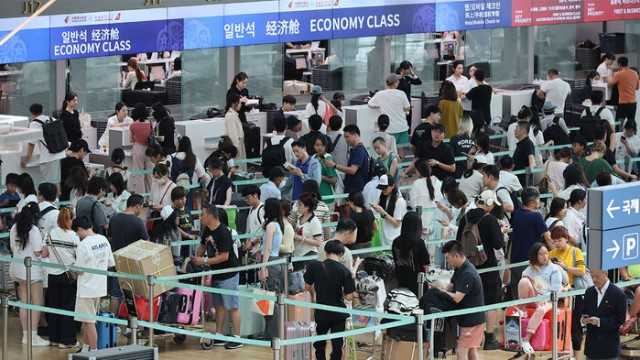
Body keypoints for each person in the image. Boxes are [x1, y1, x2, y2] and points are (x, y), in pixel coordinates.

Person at [455, 190, 505, 350]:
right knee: (491, 301)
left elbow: (458, 242)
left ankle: (468, 339)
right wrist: (501, 232)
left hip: (468, 267)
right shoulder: (490, 220)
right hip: (488, 266)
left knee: (470, 300)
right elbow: (498, 244)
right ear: (489, 203)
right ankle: (489, 338)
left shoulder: (465, 218)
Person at [193, 206, 242, 349]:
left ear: (210, 216)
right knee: (219, 305)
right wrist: (197, 257)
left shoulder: (223, 232)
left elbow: (224, 256)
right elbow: (203, 246)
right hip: (216, 273)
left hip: (229, 274)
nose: (200, 217)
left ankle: (237, 337)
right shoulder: (207, 230)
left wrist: (205, 261)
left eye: (202, 215)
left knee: (232, 305)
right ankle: (219, 334)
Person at [304, 240, 356, 360]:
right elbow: (349, 297)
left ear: (326, 252)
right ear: (342, 253)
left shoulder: (314, 266)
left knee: (320, 343)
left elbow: (307, 287)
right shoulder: (344, 271)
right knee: (337, 344)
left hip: (321, 311)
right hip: (338, 313)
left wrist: (315, 294)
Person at [73, 216, 115, 352]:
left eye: (77, 232)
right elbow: (110, 263)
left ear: (80, 229)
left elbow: (78, 270)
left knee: (89, 322)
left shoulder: (83, 245)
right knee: (87, 321)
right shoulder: (103, 240)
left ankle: (94, 350)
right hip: (100, 287)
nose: (77, 235)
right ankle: (86, 348)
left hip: (86, 289)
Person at [437, 240, 485, 360]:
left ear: (456, 256)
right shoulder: (459, 269)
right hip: (468, 318)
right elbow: (451, 286)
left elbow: (457, 298)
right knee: (471, 351)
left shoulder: (468, 273)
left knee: (461, 351)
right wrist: (440, 286)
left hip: (472, 320)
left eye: (448, 258)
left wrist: (442, 292)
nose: (447, 261)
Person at [9, 203, 49, 346]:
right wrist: (47, 248)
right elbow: (39, 252)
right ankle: (34, 336)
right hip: (32, 271)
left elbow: (13, 248)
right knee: (37, 303)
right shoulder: (33, 230)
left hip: (18, 269)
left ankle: (26, 336)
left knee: (24, 303)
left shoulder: (14, 227)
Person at [517, 242, 564, 356]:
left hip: (550, 300)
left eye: (546, 253)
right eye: (541, 254)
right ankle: (521, 310)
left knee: (541, 310)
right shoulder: (529, 269)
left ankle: (526, 339)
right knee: (523, 281)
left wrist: (544, 299)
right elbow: (525, 283)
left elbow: (556, 291)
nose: (545, 256)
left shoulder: (554, 269)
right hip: (533, 298)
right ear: (535, 256)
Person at [548, 226, 586, 359]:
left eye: (559, 240)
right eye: (554, 241)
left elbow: (581, 270)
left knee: (575, 325)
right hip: (558, 293)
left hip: (574, 293)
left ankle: (577, 355)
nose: (557, 243)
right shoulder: (552, 253)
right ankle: (562, 354)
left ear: (566, 239)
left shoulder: (576, 251)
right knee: (560, 324)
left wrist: (565, 267)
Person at [45, 208, 80, 348]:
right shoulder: (73, 236)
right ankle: (66, 340)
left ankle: (53, 338)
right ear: (70, 219)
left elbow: (44, 253)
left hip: (52, 275)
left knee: (54, 307)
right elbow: (79, 256)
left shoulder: (51, 233)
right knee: (67, 308)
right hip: (68, 276)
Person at [509, 188, 551, 295]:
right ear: (533, 202)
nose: (539, 201)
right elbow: (548, 238)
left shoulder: (517, 214)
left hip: (515, 261)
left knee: (518, 294)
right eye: (538, 199)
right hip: (530, 262)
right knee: (533, 294)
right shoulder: (536, 216)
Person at [581, 268, 626, 360]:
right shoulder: (589, 292)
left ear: (605, 274)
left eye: (597, 276)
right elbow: (584, 312)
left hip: (608, 349)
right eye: (592, 276)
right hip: (591, 348)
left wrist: (600, 322)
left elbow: (620, 320)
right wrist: (583, 319)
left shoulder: (618, 294)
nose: (594, 280)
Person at [257, 198, 284, 339]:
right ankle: (270, 332)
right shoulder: (277, 224)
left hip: (269, 262)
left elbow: (267, 248)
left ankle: (273, 333)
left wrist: (263, 267)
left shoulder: (271, 226)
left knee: (269, 299)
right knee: (267, 299)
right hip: (274, 262)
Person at [22, 103, 62, 183]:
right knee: (56, 181)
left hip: (48, 157)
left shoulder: (34, 123)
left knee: (49, 183)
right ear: (42, 110)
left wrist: (27, 160)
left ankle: (52, 195)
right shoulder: (52, 119)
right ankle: (56, 194)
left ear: (32, 113)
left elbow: (31, 143)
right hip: (59, 153)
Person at [368, 74, 411, 145]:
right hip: (402, 127)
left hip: (388, 129)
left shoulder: (380, 94)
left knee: (390, 152)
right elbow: (407, 107)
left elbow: (370, 104)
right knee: (403, 152)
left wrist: (381, 105)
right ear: (396, 83)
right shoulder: (401, 94)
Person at [392, 212, 429, 295]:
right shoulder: (419, 243)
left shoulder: (396, 242)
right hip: (418, 284)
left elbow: (396, 261)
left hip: (401, 281)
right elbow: (426, 263)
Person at [325, 125, 369, 194]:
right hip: (353, 188)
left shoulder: (359, 150)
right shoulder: (356, 149)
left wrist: (334, 165)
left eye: (347, 137)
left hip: (356, 190)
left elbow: (352, 170)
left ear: (355, 135)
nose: (346, 139)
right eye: (345, 137)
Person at [409, 159, 443, 240]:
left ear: (418, 171)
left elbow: (413, 204)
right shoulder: (437, 181)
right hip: (436, 219)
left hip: (422, 220)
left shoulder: (416, 183)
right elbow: (440, 201)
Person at [372, 175, 407, 246]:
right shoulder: (383, 197)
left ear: (393, 186)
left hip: (395, 239)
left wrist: (383, 212)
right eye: (381, 188)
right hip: (384, 237)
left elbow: (397, 224)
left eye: (385, 188)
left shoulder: (399, 201)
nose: (383, 190)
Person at [129, 103, 153, 194]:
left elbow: (131, 139)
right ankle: (151, 195)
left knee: (139, 174)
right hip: (149, 150)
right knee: (149, 174)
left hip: (138, 148)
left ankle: (141, 196)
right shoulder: (150, 124)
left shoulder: (133, 125)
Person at [292, 192, 323, 259]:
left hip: (309, 256)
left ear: (307, 207)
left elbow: (319, 242)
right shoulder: (300, 217)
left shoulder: (315, 222)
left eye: (300, 205)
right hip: (298, 254)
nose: (297, 207)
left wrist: (299, 238)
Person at [610, 56, 639, 124]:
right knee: (631, 123)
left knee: (619, 123)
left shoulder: (618, 74)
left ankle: (619, 134)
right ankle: (633, 134)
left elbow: (610, 83)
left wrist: (610, 75)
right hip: (633, 103)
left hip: (623, 103)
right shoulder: (635, 73)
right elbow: (637, 87)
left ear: (619, 64)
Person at [314, 136, 338, 203]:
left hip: (327, 197)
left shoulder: (328, 158)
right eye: (317, 145)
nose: (320, 147)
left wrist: (321, 176)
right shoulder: (314, 157)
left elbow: (334, 180)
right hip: (315, 198)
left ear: (326, 146)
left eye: (322, 145)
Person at [225, 94, 247, 163]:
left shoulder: (234, 115)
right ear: (234, 103)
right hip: (236, 146)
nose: (240, 105)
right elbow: (233, 135)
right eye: (240, 103)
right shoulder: (230, 116)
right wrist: (235, 149)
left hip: (240, 144)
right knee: (238, 167)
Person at [513, 121, 536, 186]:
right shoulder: (521, 144)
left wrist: (529, 182)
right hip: (518, 180)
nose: (514, 130)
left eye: (516, 128)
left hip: (523, 182)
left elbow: (532, 160)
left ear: (523, 131)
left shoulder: (528, 143)